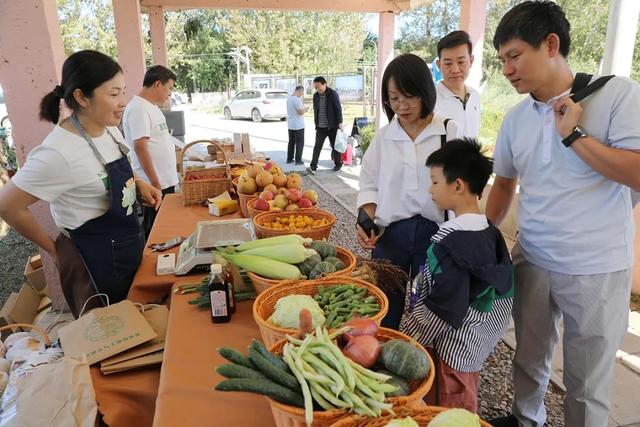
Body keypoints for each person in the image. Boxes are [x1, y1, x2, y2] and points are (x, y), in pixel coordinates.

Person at [485, 2, 640, 426]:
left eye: (515, 56)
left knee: (586, 383)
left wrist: (573, 134)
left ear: (551, 44)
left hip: (596, 269)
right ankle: (525, 419)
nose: (508, 69)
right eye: (502, 61)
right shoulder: (516, 120)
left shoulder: (616, 95)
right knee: (529, 360)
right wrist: (482, 237)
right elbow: (503, 183)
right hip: (533, 259)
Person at [0, 50, 162, 310]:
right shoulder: (58, 152)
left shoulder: (109, 129)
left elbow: (119, 169)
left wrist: (140, 185)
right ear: (81, 97)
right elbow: (8, 205)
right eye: (113, 94)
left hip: (128, 246)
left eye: (123, 91)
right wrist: (53, 250)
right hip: (97, 265)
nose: (123, 101)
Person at [400, 138, 514, 412]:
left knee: (450, 407)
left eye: (435, 182)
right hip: (475, 343)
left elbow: (443, 309)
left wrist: (407, 337)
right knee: (462, 397)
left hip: (452, 348)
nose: (430, 190)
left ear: (458, 185)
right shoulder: (490, 233)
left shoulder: (450, 244)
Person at [356, 53, 460, 329]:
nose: (401, 105)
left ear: (425, 91)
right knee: (384, 308)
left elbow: (463, 189)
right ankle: (382, 360)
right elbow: (368, 183)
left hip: (436, 238)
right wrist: (366, 223)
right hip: (391, 238)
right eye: (394, 98)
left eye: (409, 96)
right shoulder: (384, 137)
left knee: (429, 313)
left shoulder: (447, 133)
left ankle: (424, 365)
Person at [122, 65, 178, 238]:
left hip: (163, 181)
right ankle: (151, 262)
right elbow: (140, 146)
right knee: (154, 229)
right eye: (169, 88)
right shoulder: (138, 108)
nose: (169, 93)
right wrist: (154, 181)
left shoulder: (151, 106)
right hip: (153, 183)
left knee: (164, 225)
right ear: (157, 84)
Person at [434, 30, 481, 138]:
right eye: (448, 63)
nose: (455, 70)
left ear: (471, 61)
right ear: (439, 65)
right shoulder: (431, 100)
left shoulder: (474, 96)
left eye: (461, 62)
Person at [307, 76, 343, 174]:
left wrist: (340, 123)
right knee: (317, 147)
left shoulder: (333, 94)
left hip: (332, 127)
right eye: (316, 87)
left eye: (319, 87)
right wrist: (316, 123)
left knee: (335, 147)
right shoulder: (315, 96)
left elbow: (338, 109)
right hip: (320, 127)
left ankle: (338, 164)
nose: (318, 89)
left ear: (324, 84)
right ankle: (313, 167)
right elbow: (316, 110)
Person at [286, 85, 308, 165]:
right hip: (298, 125)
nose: (302, 94)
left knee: (291, 142)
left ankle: (289, 158)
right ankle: (298, 160)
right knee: (300, 143)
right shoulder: (297, 100)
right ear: (299, 91)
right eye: (302, 92)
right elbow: (300, 111)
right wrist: (306, 109)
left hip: (291, 124)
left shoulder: (289, 99)